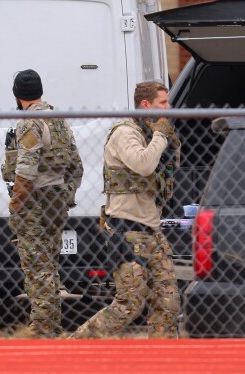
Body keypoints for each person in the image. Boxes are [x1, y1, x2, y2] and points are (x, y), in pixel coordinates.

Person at [72, 81, 181, 339]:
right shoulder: (125, 133)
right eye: (162, 103)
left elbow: (167, 169)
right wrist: (161, 136)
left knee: (168, 303)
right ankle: (74, 347)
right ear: (146, 105)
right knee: (129, 304)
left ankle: (163, 361)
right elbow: (142, 164)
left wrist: (169, 142)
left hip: (152, 231)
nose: (168, 107)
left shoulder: (150, 133)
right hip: (128, 231)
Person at [3, 69, 83, 337]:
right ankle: (52, 324)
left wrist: (15, 207)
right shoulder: (57, 118)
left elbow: (25, 172)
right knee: (50, 265)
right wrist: (66, 195)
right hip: (56, 199)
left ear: (17, 95)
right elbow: (76, 165)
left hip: (34, 202)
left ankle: (43, 329)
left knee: (37, 268)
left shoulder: (29, 122)